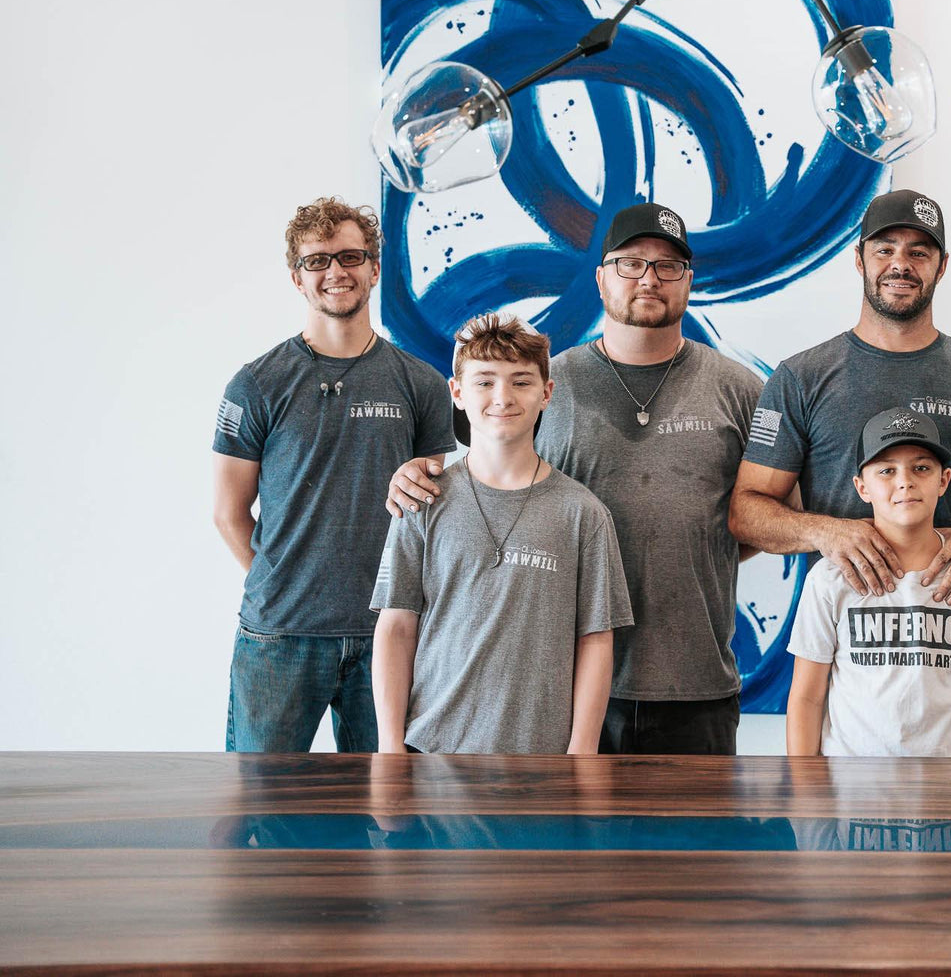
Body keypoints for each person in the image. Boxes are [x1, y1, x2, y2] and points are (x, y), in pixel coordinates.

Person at [386, 203, 763, 755]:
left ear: (689, 280)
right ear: (601, 277)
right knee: (577, 843)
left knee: (692, 843)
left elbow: (760, 515)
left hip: (696, 681)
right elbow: (485, 478)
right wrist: (416, 470)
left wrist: (701, 547)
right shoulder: (545, 385)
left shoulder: (738, 389)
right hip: (562, 691)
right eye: (631, 263)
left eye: (669, 266)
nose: (650, 279)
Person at [211, 197, 454, 752]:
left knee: (389, 816)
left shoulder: (419, 383)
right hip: (279, 636)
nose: (335, 272)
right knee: (263, 810)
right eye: (317, 261)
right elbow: (228, 514)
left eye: (350, 257)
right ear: (297, 278)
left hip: (389, 634)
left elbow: (431, 508)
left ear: (373, 267)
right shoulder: (255, 385)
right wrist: (285, 583)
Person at [729, 189, 951, 608]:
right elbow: (745, 513)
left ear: (942, 266)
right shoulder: (800, 378)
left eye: (919, 252)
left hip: (950, 638)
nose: (900, 264)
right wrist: (826, 531)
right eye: (885, 249)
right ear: (860, 259)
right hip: (838, 643)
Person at [369, 313, 633, 754]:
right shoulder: (421, 503)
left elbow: (596, 639)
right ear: (457, 393)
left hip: (542, 760)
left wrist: (582, 752)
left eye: (521, 381)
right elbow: (396, 626)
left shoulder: (583, 515)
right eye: (485, 381)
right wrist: (389, 749)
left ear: (547, 393)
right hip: (430, 751)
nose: (503, 397)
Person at [786, 408, 951, 757]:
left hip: (948, 789)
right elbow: (806, 697)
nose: (905, 481)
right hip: (851, 791)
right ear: (862, 487)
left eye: (921, 468)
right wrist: (804, 794)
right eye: (887, 470)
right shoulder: (831, 578)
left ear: (944, 480)